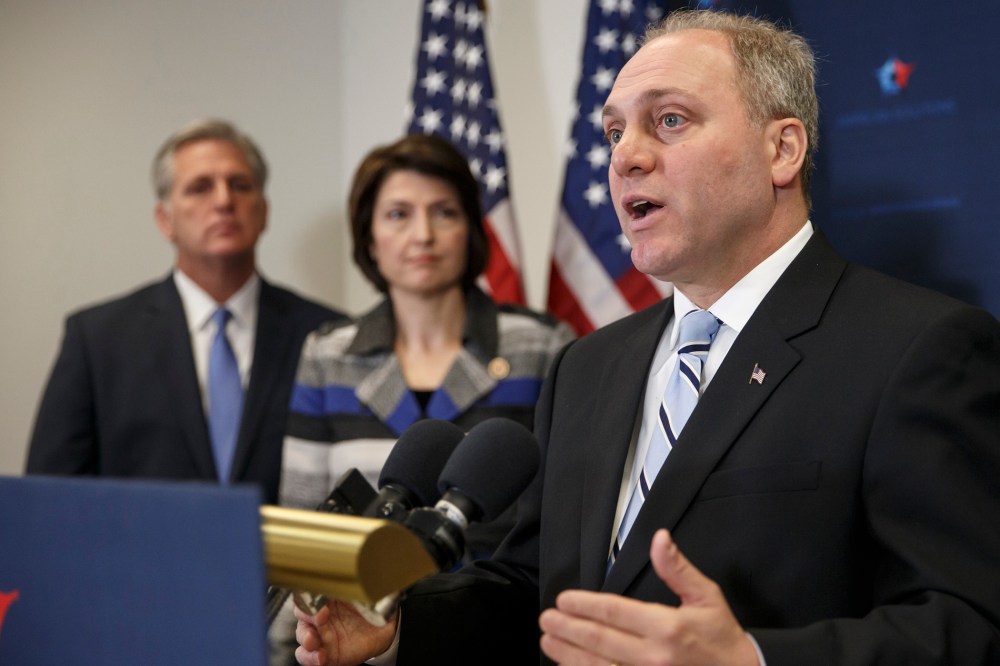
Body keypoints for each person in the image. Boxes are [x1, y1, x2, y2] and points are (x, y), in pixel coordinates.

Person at [294, 9, 1000, 666]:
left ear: (782, 150)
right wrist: (400, 627)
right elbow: (539, 595)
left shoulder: (918, 349)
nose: (625, 156)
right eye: (614, 132)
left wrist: (752, 659)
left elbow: (970, 623)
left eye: (669, 120)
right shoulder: (588, 365)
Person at [278, 133, 575, 556]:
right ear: (369, 238)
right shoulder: (328, 355)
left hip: (500, 595)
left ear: (470, 230)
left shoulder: (539, 346)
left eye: (444, 213)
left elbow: (567, 512)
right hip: (363, 595)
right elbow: (303, 527)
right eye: (398, 214)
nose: (423, 235)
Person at [26, 118, 345, 505]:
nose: (224, 201)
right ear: (165, 220)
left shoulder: (327, 336)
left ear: (263, 211)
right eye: (200, 187)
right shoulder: (97, 340)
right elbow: (47, 499)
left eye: (240, 185)